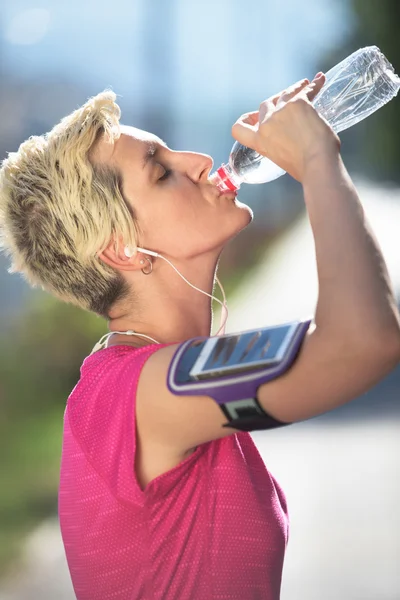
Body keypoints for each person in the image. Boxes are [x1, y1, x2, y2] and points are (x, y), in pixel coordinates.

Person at [0, 73, 399, 600]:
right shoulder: (139, 395)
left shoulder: (150, 378)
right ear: (122, 250)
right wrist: (319, 162)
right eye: (162, 172)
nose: (200, 162)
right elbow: (360, 343)